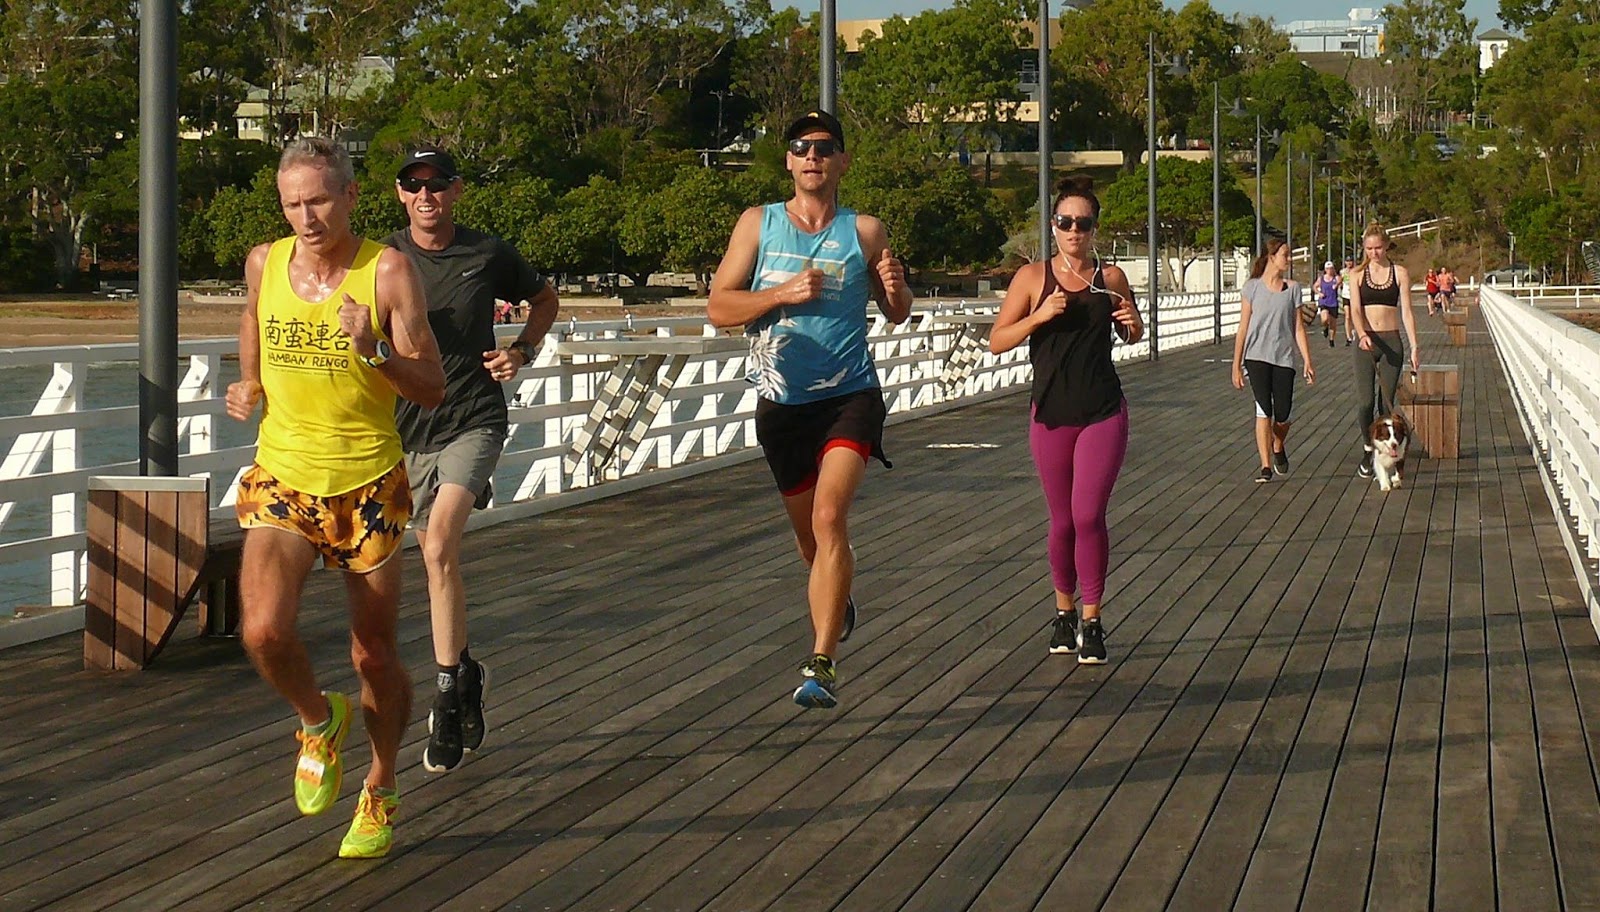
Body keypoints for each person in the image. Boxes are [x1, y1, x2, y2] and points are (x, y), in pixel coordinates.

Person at [224, 136, 446, 859]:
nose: (307, 217)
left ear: (350, 196)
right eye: (293, 204)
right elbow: (253, 318)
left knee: (373, 656)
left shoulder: (388, 272)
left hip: (367, 484)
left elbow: (432, 386)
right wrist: (250, 380)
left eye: (319, 200)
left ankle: (380, 786)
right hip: (284, 474)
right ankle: (318, 722)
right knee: (263, 631)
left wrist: (373, 347)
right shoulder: (265, 262)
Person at [707, 110, 912, 709]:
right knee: (811, 543)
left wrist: (895, 286)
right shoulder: (758, 223)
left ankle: (821, 663)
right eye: (801, 147)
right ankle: (835, 595)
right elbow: (718, 307)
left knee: (829, 518)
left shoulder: (865, 231)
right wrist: (780, 294)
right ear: (789, 161)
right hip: (782, 404)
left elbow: (897, 309)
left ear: (843, 161)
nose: (812, 156)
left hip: (849, 396)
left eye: (824, 147)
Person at [385, 146, 560, 773]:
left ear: (456, 190)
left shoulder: (487, 253)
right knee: (429, 564)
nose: (426, 195)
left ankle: (443, 700)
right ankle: (464, 672)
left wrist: (522, 351)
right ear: (400, 194)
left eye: (437, 184)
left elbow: (545, 299)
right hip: (405, 430)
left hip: (474, 419)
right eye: (413, 185)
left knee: (438, 547)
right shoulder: (382, 260)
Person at [989, 175, 1143, 665]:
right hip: (1051, 413)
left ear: (1095, 228)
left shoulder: (1110, 278)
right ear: (1053, 225)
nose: (1074, 231)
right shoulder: (1032, 278)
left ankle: (1093, 619)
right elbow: (997, 340)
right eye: (1065, 222)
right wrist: (1038, 316)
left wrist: (1134, 326)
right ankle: (1064, 612)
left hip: (1103, 410)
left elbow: (1133, 331)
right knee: (1062, 522)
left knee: (1088, 516)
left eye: (1083, 223)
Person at [1231, 239, 1316, 484]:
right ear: (1271, 257)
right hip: (1256, 356)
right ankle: (1265, 465)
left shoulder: (1293, 289)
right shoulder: (1252, 288)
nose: (1288, 259)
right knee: (1263, 410)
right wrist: (1236, 365)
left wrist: (1307, 360)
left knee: (1283, 414)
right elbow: (1243, 327)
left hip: (1283, 357)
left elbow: (1298, 327)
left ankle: (1278, 444)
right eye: (1285, 255)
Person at [1350, 222, 1421, 478]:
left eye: (1378, 248)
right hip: (1366, 342)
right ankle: (1368, 446)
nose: (1374, 253)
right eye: (1369, 249)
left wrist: (1414, 346)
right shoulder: (1357, 275)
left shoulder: (1399, 273)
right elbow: (1355, 309)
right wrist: (1361, 334)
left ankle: (1384, 453)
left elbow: (1407, 312)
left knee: (1385, 403)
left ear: (1387, 246)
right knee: (1365, 402)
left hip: (1391, 341)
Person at [1315, 260, 1341, 347]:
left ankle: (1331, 340)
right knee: (1325, 319)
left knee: (1333, 323)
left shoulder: (1335, 278)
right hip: (1324, 301)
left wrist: (1336, 284)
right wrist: (1319, 293)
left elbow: (1341, 280)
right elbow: (1314, 286)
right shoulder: (1321, 278)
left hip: (1333, 302)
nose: (1330, 270)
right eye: (1328, 269)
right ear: (1325, 270)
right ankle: (1325, 327)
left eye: (1331, 269)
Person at [1341, 259, 1357, 345]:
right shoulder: (1343, 272)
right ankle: (1348, 336)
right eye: (1347, 261)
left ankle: (1355, 331)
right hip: (1346, 295)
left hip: (1354, 296)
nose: (1349, 263)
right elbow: (1339, 282)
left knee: (1354, 315)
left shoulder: (1356, 271)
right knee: (1347, 316)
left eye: (1350, 261)